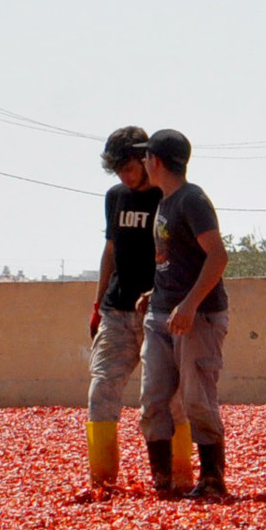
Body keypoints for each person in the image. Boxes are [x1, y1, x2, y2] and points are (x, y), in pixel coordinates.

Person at [139, 129, 231, 501]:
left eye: (146, 156)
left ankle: (212, 479)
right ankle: (163, 481)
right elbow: (175, 260)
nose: (143, 162)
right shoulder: (165, 202)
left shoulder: (192, 200)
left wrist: (190, 304)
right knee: (153, 398)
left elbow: (218, 257)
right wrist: (156, 293)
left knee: (197, 398)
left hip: (199, 316)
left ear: (157, 161)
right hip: (162, 313)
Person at [84, 125, 156, 490]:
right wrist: (98, 304)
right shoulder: (115, 197)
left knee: (163, 398)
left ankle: (174, 477)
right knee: (101, 388)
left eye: (128, 168)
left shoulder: (168, 196)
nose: (124, 177)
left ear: (145, 159)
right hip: (116, 309)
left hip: (158, 311)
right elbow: (110, 251)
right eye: (118, 171)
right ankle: (102, 480)